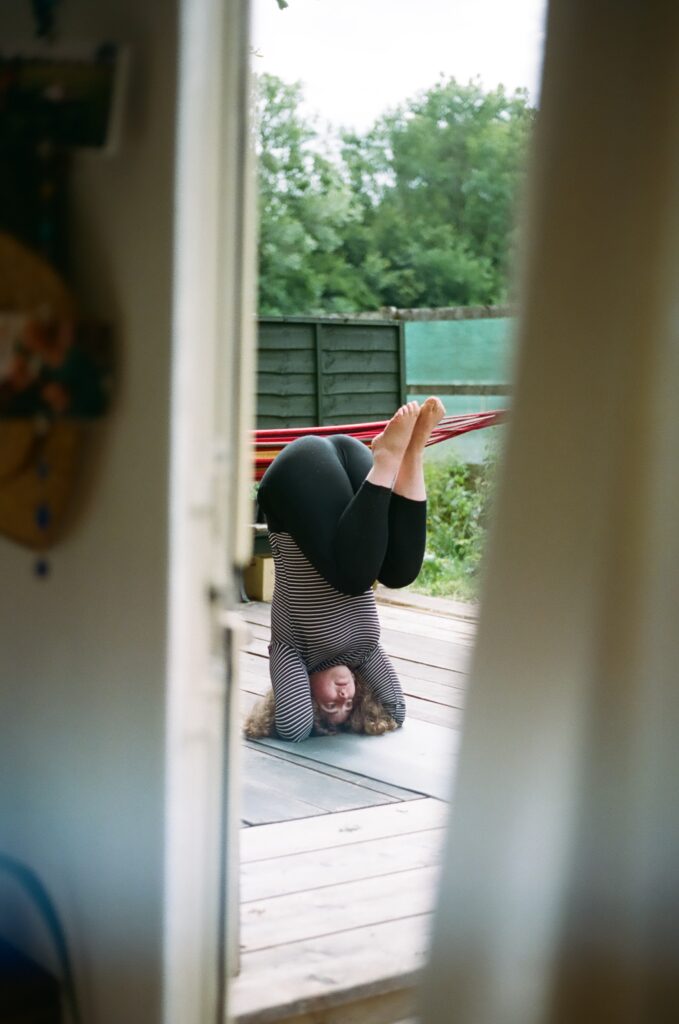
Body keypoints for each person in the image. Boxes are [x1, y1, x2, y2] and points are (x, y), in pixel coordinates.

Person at [245, 396, 445, 743]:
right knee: (400, 574)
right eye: (350, 708)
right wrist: (364, 715)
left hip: (298, 474)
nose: (343, 699)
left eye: (328, 709)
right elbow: (396, 709)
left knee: (355, 578)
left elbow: (293, 727)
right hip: (354, 468)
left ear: (302, 692)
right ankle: (411, 454)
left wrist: (312, 714)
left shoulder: (293, 652)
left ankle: (386, 461)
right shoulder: (364, 652)